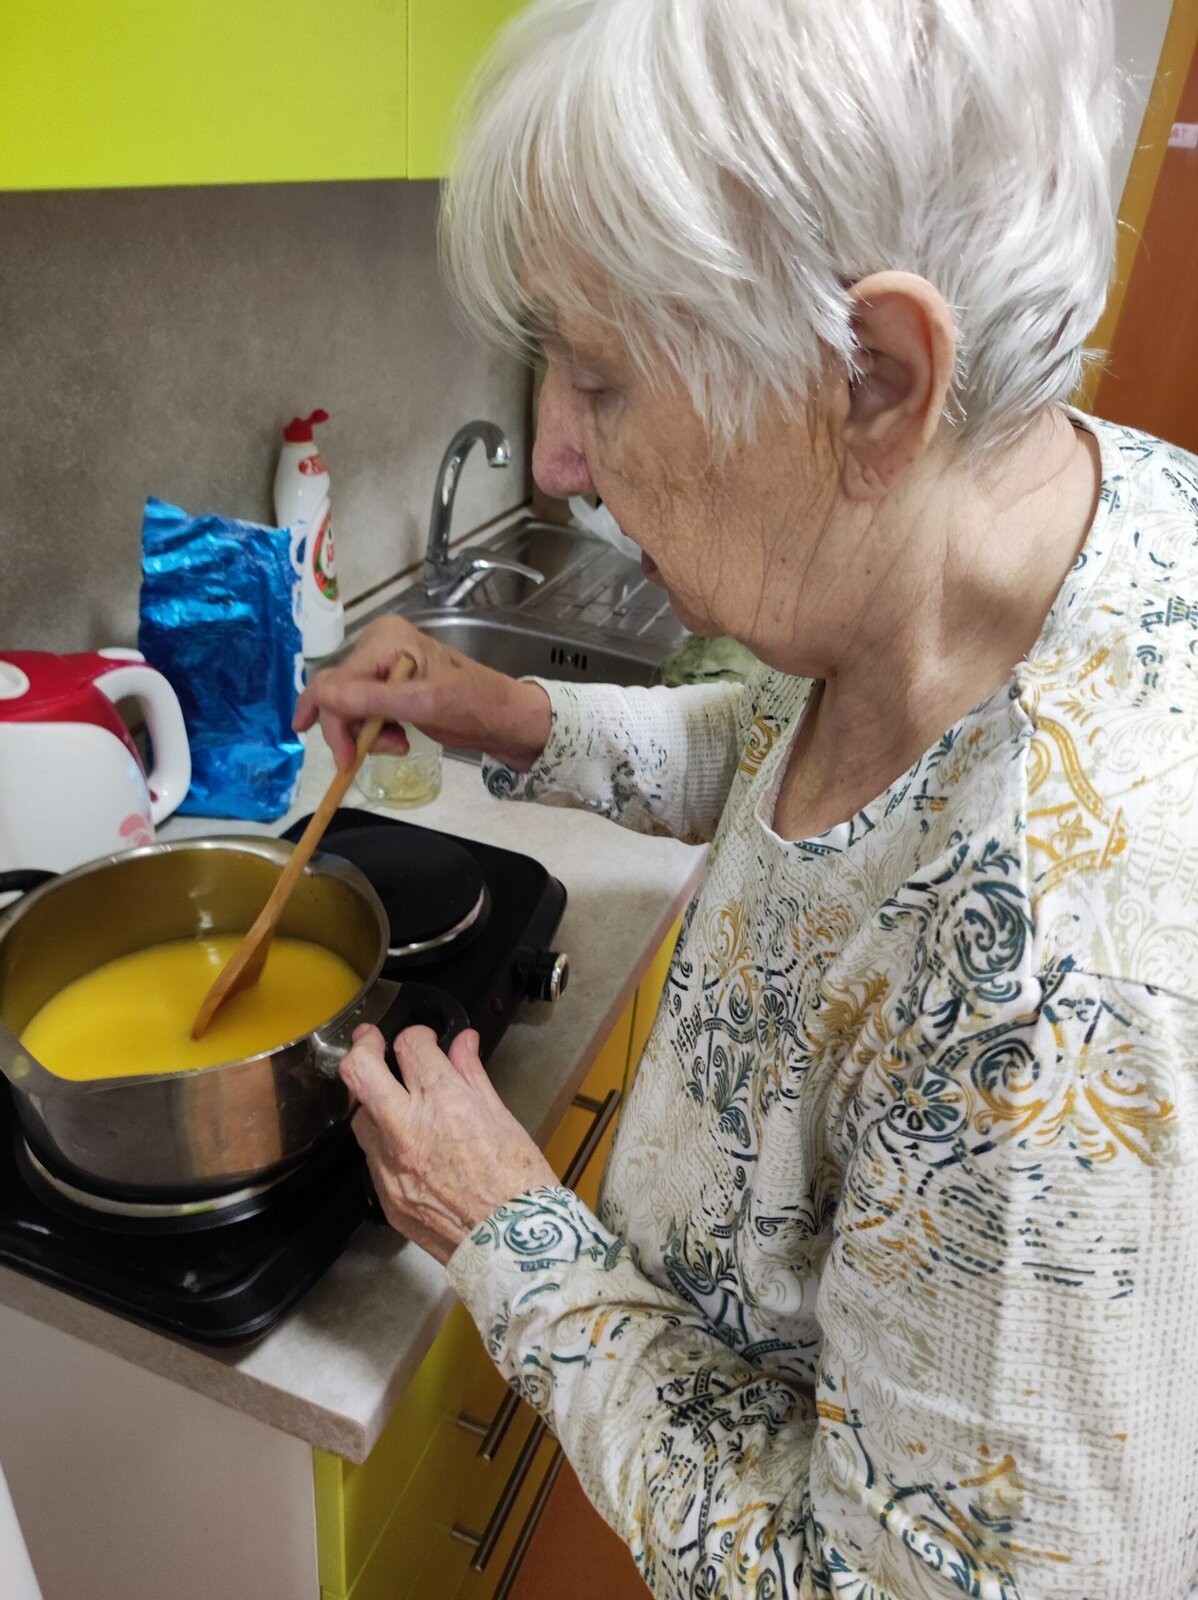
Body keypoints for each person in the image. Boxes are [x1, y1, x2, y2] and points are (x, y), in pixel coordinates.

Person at [295, 1, 1198, 1593]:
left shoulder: (1057, 1002)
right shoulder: (1010, 523)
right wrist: (514, 713)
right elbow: (806, 760)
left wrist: (514, 1236)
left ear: (874, 378)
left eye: (599, 378)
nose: (558, 458)